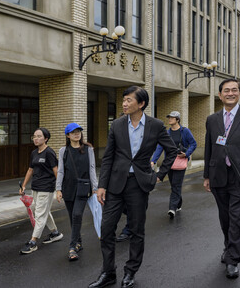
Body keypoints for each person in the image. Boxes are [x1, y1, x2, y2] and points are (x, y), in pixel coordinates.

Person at [89, 86, 178, 288]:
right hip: (115, 184)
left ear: (141, 104)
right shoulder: (117, 124)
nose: (124, 104)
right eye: (123, 100)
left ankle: (130, 272)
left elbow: (171, 151)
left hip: (138, 185)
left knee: (137, 230)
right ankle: (108, 272)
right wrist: (101, 185)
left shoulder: (155, 125)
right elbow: (109, 156)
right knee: (106, 227)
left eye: (129, 100)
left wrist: (159, 176)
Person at [203, 78, 240, 279]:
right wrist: (206, 175)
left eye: (234, 90)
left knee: (239, 218)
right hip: (218, 174)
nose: (230, 93)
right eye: (226, 90)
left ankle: (233, 259)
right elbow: (209, 146)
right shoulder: (212, 119)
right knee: (225, 217)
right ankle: (228, 246)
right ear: (220, 95)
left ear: (239, 93)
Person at [56, 123, 97, 261]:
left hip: (83, 187)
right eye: (73, 132)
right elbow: (61, 171)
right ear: (68, 135)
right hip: (68, 187)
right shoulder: (64, 151)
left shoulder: (88, 149)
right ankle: (78, 242)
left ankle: (72, 247)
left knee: (77, 215)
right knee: (72, 217)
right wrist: (58, 189)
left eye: (78, 131)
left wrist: (95, 187)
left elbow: (92, 168)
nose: (76, 134)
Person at [19, 127, 63, 254]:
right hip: (36, 187)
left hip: (47, 188)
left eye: (39, 136)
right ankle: (55, 233)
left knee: (39, 214)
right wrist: (23, 185)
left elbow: (56, 170)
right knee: (44, 211)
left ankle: (33, 242)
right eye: (34, 136)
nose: (36, 138)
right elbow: (30, 170)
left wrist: (59, 188)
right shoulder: (34, 153)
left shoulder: (49, 152)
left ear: (46, 138)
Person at [151, 111, 197, 219]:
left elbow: (193, 143)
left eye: (172, 118)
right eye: (169, 117)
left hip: (180, 162)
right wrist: (153, 160)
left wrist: (187, 154)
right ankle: (178, 203)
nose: (170, 119)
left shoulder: (185, 131)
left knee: (176, 184)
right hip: (169, 162)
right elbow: (160, 147)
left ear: (177, 120)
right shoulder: (167, 133)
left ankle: (172, 208)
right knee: (174, 185)